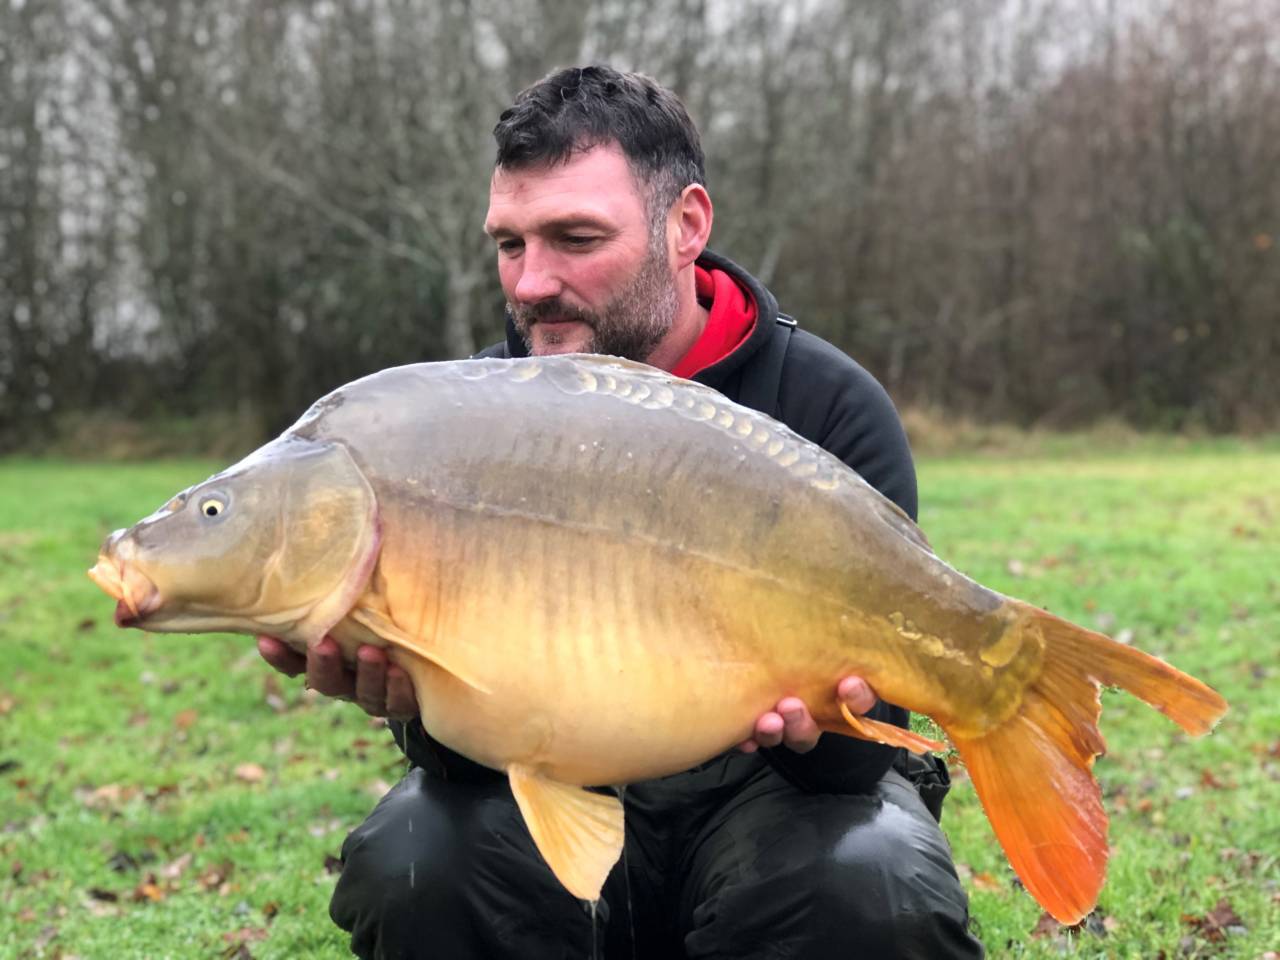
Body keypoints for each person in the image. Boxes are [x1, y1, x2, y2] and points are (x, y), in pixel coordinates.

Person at [259, 65, 983, 959]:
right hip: (555, 791)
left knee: (874, 882)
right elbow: (459, 762)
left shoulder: (827, 406)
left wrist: (820, 729)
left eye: (573, 237)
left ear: (685, 226)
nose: (529, 284)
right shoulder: (464, 421)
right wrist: (411, 703)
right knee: (415, 858)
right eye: (510, 243)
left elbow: (864, 759)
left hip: (776, 803)